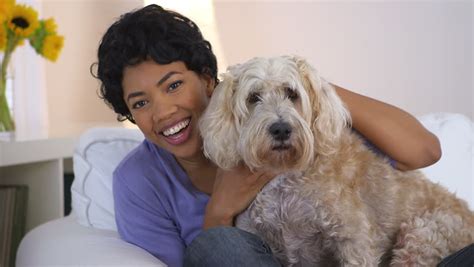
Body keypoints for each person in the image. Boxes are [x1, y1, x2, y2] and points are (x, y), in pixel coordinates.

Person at [93, 4, 444, 267]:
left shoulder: (302, 133)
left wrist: (305, 85)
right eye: (140, 103)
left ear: (207, 80)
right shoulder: (137, 180)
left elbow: (424, 150)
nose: (163, 111)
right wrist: (220, 210)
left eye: (173, 85)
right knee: (217, 246)